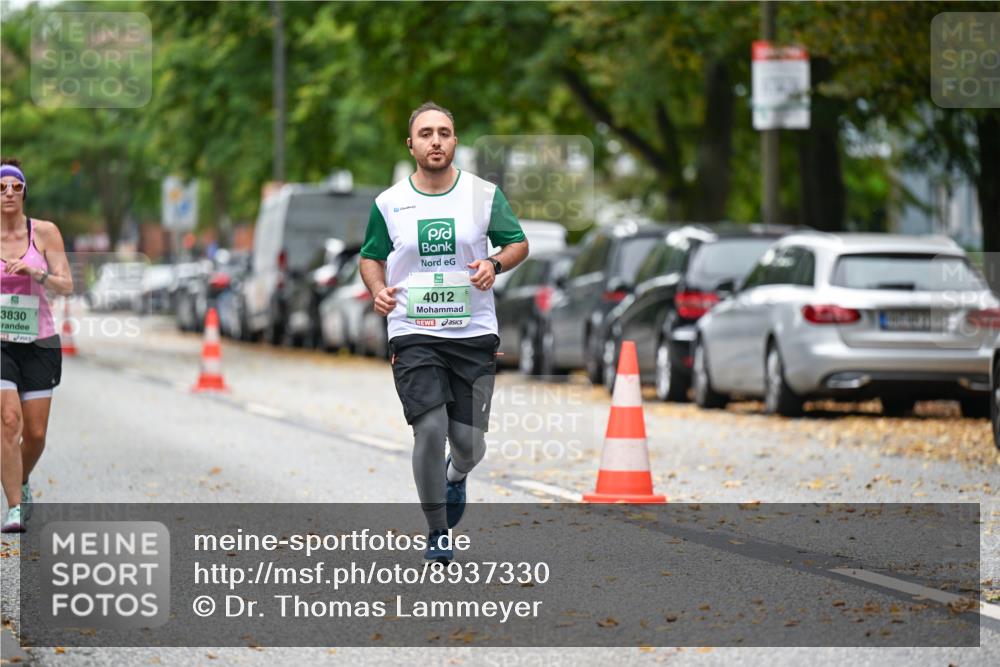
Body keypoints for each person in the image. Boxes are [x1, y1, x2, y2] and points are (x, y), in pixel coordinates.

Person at [359, 102, 529, 563]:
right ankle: (437, 531)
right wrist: (378, 290)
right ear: (411, 144)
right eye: (426, 133)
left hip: (472, 331)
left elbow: (518, 243)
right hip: (413, 329)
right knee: (429, 429)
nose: (436, 141)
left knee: (469, 445)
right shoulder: (389, 203)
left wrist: (494, 264)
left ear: (455, 141)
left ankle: (456, 475)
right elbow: (371, 256)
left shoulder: (483, 195)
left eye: (445, 133)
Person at [1, 158, 74, 532]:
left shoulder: (44, 233)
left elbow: (66, 284)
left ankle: (21, 480)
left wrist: (36, 272)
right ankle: (14, 507)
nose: (9, 193)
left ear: (25, 191)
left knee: (36, 433)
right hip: (0, 344)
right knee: (8, 420)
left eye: (15, 186)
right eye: (1, 188)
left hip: (39, 338)